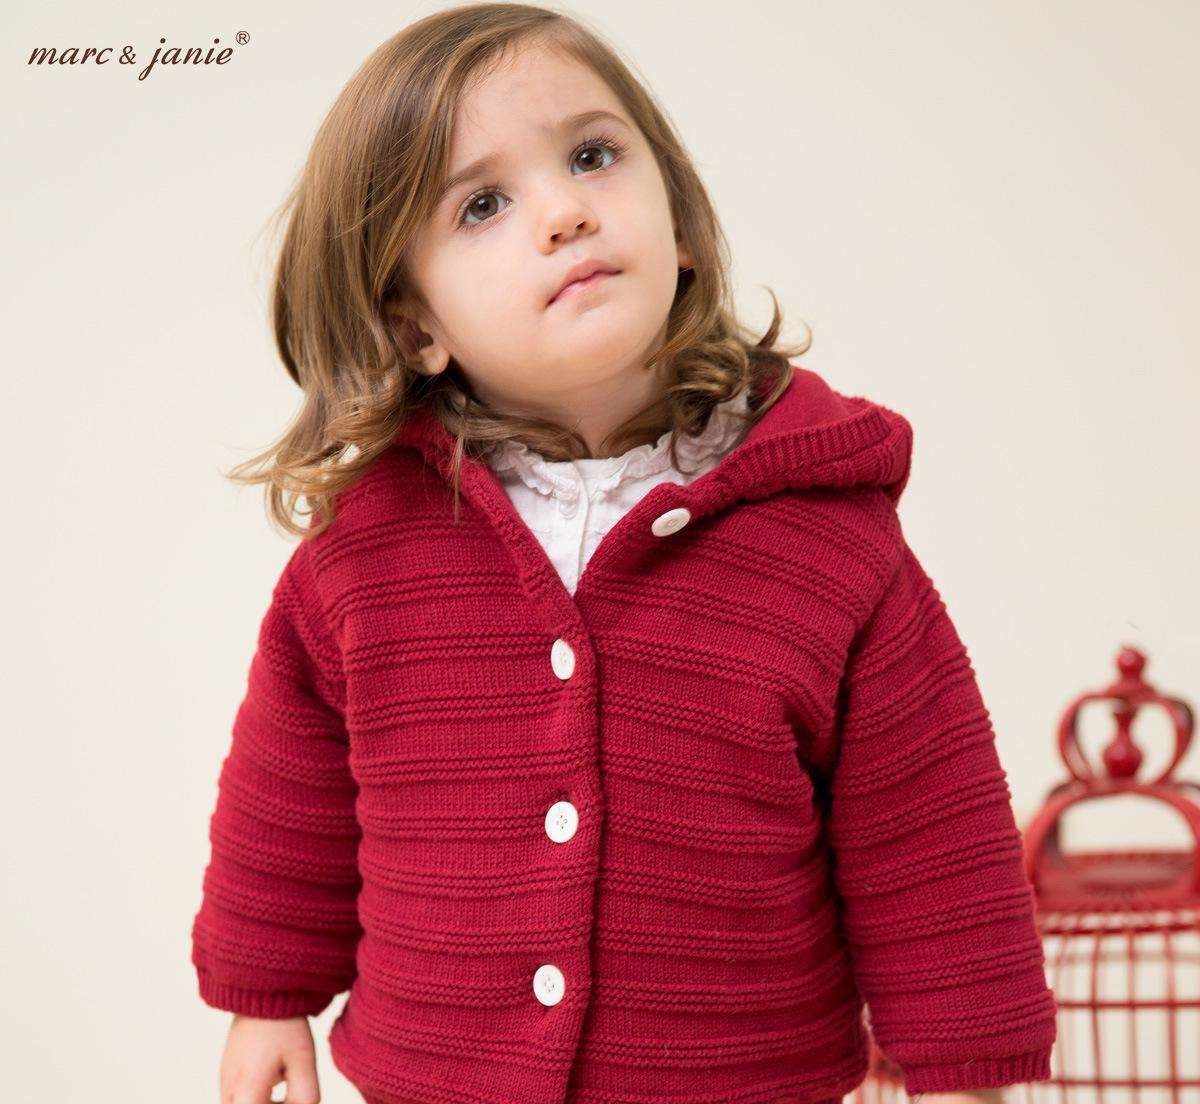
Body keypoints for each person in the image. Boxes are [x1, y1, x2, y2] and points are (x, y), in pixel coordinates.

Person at [189, 5, 1058, 1103]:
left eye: (593, 156)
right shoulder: (367, 551)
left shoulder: (828, 538)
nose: (564, 213)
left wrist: (961, 1073)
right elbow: (290, 788)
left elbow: (927, 825)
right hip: (439, 1079)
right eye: (482, 204)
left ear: (680, 226)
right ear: (415, 327)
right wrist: (266, 996)